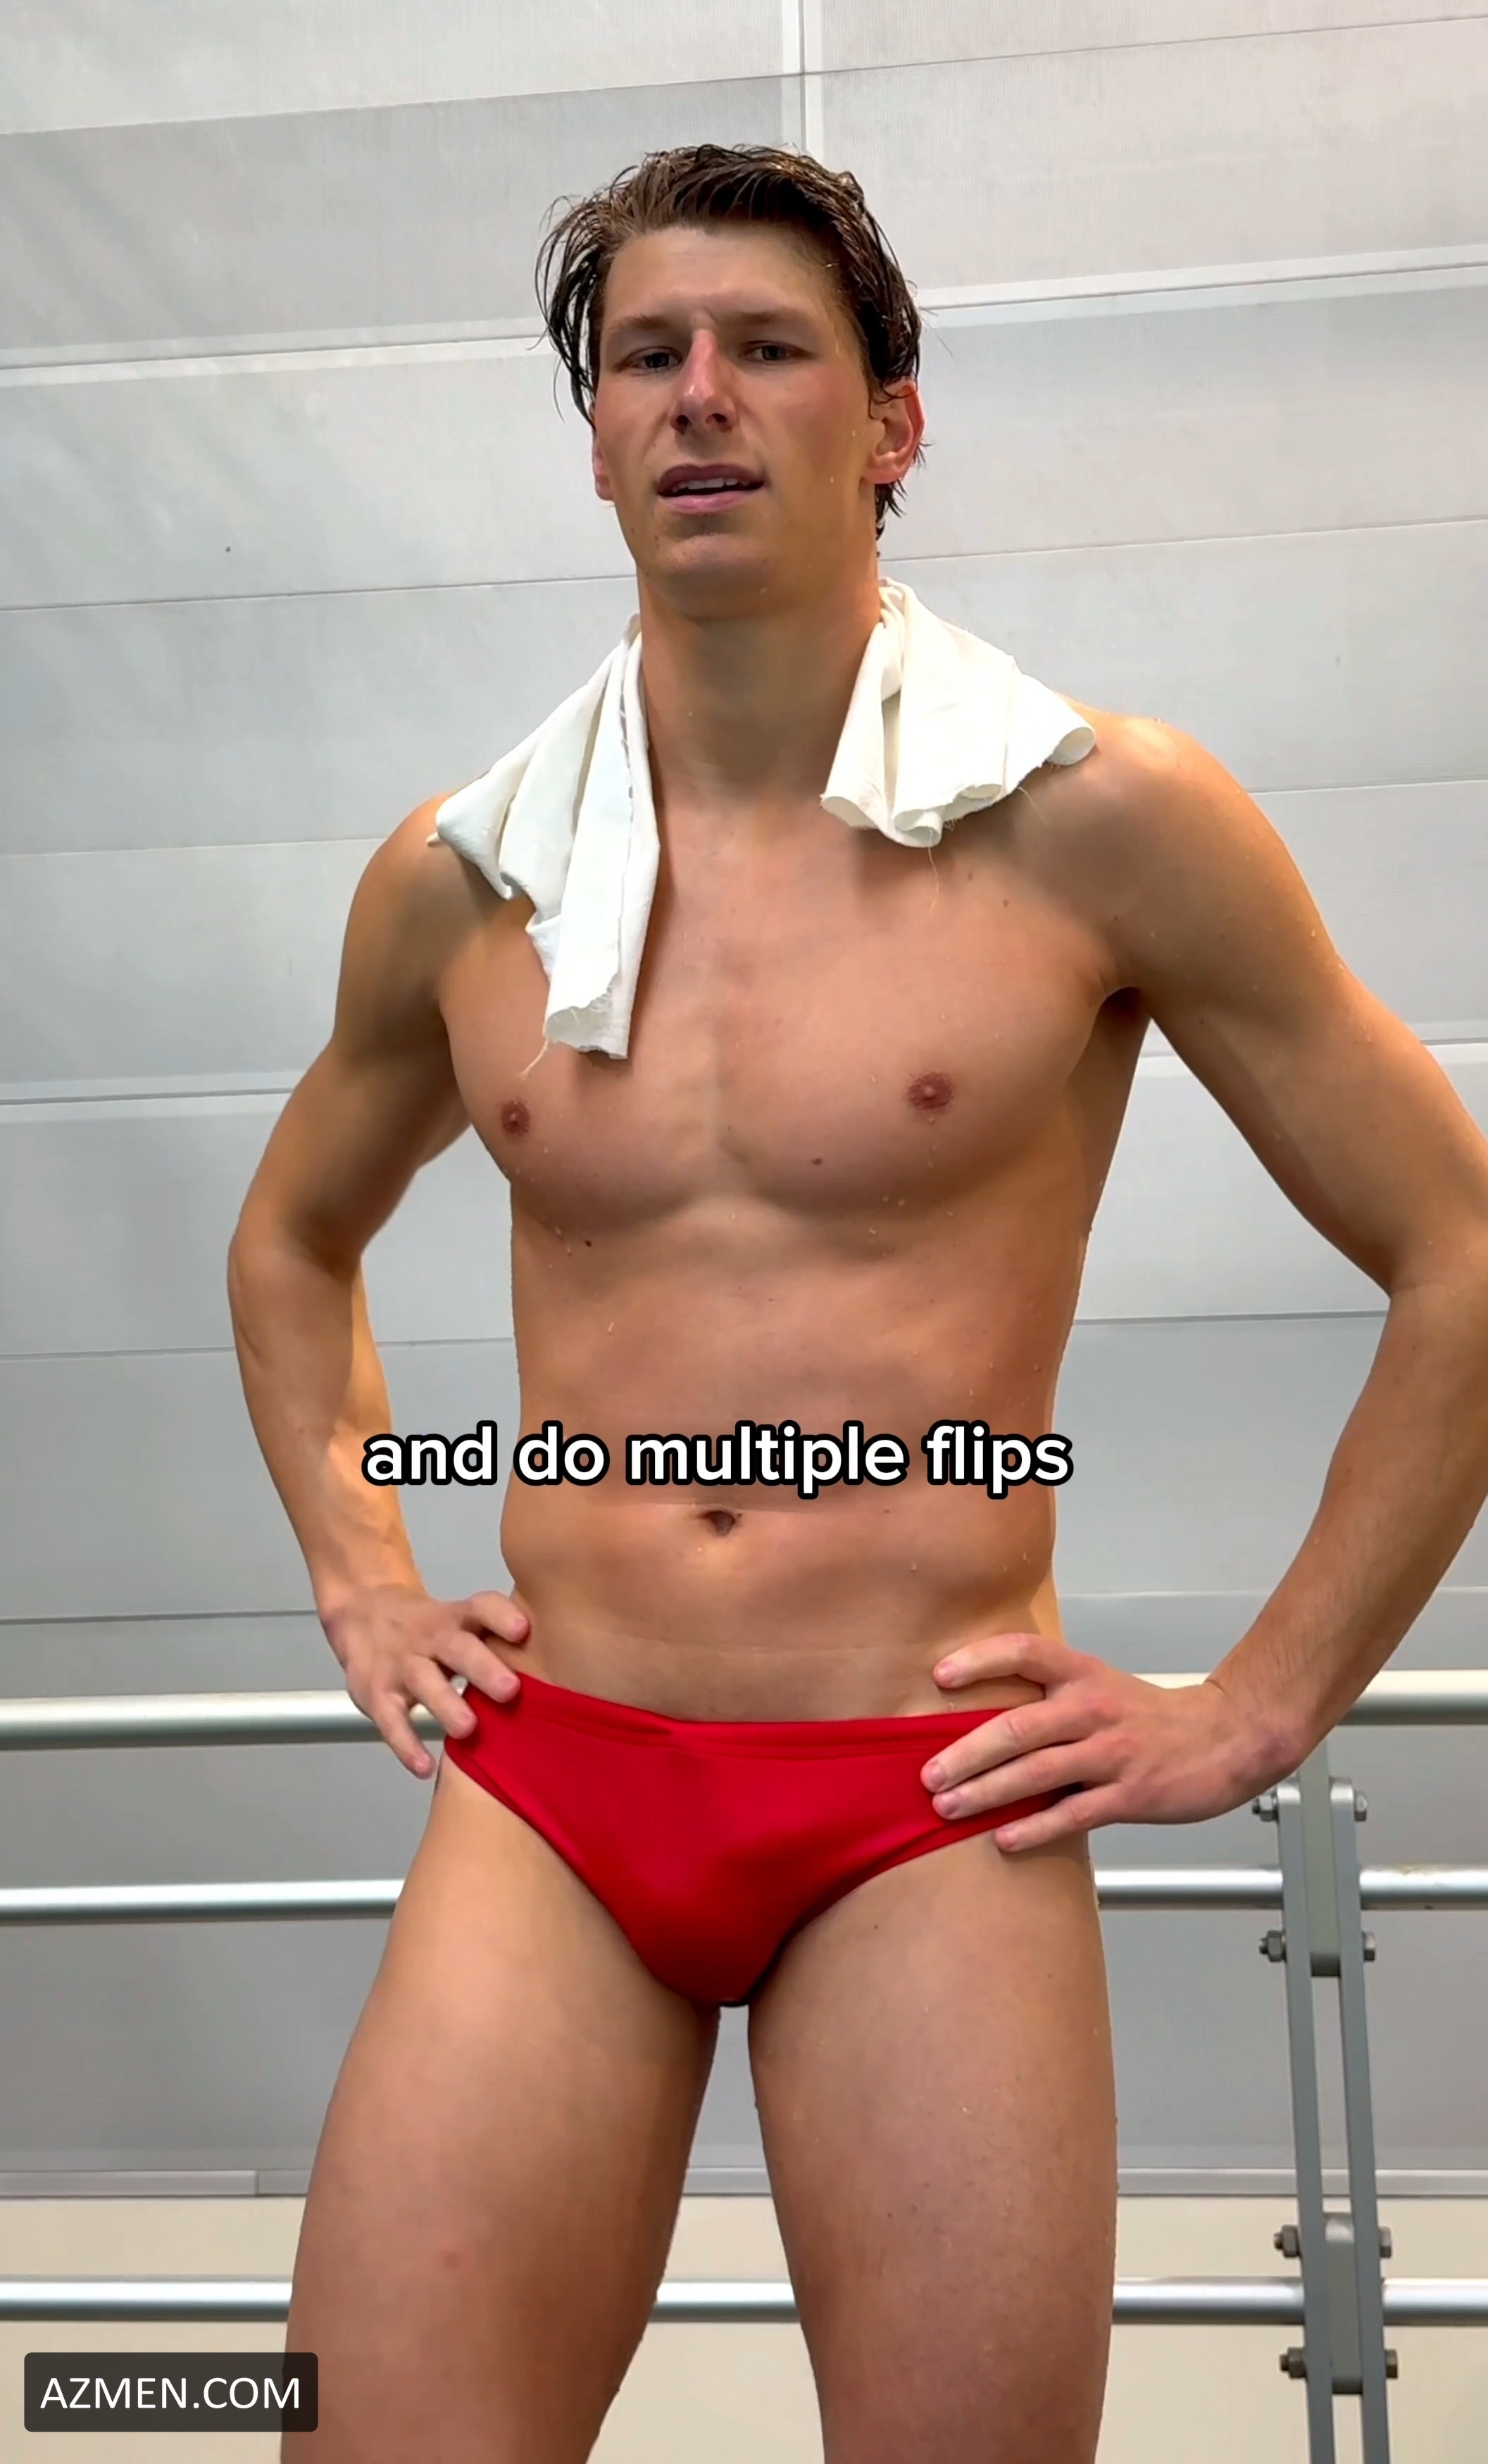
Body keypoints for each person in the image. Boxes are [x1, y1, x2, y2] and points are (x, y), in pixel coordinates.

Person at [228, 144, 1488, 2464]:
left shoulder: (1099, 820)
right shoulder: (467, 880)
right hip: (564, 1779)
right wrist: (363, 1577)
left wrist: (1262, 1704)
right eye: (646, 357)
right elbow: (291, 1238)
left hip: (926, 1789)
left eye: (767, 349)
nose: (699, 395)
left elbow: (1463, 1251)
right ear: (597, 437)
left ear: (892, 421)